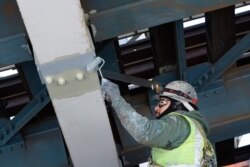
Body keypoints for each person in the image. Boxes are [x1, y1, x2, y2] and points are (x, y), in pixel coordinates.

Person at [101, 80, 217, 167]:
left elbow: (144, 131)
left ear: (179, 104)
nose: (156, 109)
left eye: (162, 102)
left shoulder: (180, 124)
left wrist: (116, 98)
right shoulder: (199, 140)